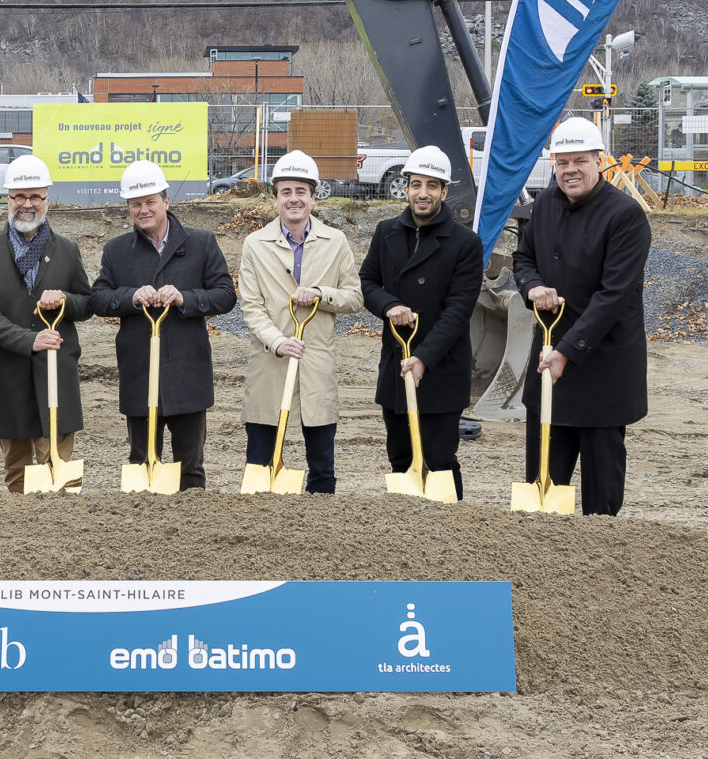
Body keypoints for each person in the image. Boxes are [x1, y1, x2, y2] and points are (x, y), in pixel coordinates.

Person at [512, 116, 651, 516]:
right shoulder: (543, 206)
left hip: (602, 369)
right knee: (543, 490)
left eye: (580, 161)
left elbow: (614, 296)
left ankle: (601, 558)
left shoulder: (625, 216)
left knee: (600, 495)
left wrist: (567, 353)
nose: (570, 170)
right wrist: (532, 286)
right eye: (562, 162)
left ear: (599, 160)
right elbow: (524, 260)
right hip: (550, 359)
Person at [91, 160, 236, 490]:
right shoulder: (116, 251)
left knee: (191, 466)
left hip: (187, 370)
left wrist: (185, 298)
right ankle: (144, 537)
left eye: (150, 201)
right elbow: (98, 298)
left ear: (166, 201)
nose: (143, 210)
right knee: (142, 463)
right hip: (140, 370)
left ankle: (192, 533)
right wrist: (130, 297)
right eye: (136, 204)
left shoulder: (201, 243)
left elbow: (225, 295)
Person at [359, 145, 484, 499]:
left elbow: (459, 310)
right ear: (406, 188)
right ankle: (405, 535)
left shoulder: (465, 244)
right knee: (400, 456)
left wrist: (424, 358)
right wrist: (389, 305)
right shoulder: (386, 232)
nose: (423, 193)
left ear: (445, 191)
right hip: (397, 363)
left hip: (440, 367)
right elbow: (367, 282)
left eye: (432, 185)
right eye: (416, 184)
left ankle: (450, 528)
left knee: (439, 457)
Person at [0, 154, 93, 492]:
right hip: (9, 374)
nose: (27, 204)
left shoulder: (67, 250)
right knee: (17, 475)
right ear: (7, 200)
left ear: (46, 200)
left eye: (35, 196)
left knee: (58, 475)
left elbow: (87, 303)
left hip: (56, 373)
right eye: (19, 196)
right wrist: (28, 340)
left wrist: (65, 301)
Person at [237, 150, 362, 493]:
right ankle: (257, 523)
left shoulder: (335, 242)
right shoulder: (255, 244)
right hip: (269, 360)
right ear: (275, 197)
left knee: (322, 462)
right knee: (260, 459)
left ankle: (322, 522)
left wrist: (322, 294)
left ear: (313, 195)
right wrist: (278, 341)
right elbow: (251, 307)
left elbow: (354, 297)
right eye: (286, 192)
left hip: (315, 360)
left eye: (301, 192)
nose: (294, 199)